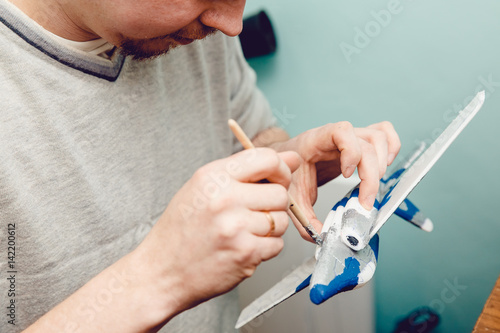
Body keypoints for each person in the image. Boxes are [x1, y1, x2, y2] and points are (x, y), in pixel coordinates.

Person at [0, 0, 401, 332]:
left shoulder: (199, 26)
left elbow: (248, 135)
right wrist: (160, 277)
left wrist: (287, 161)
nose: (231, 24)